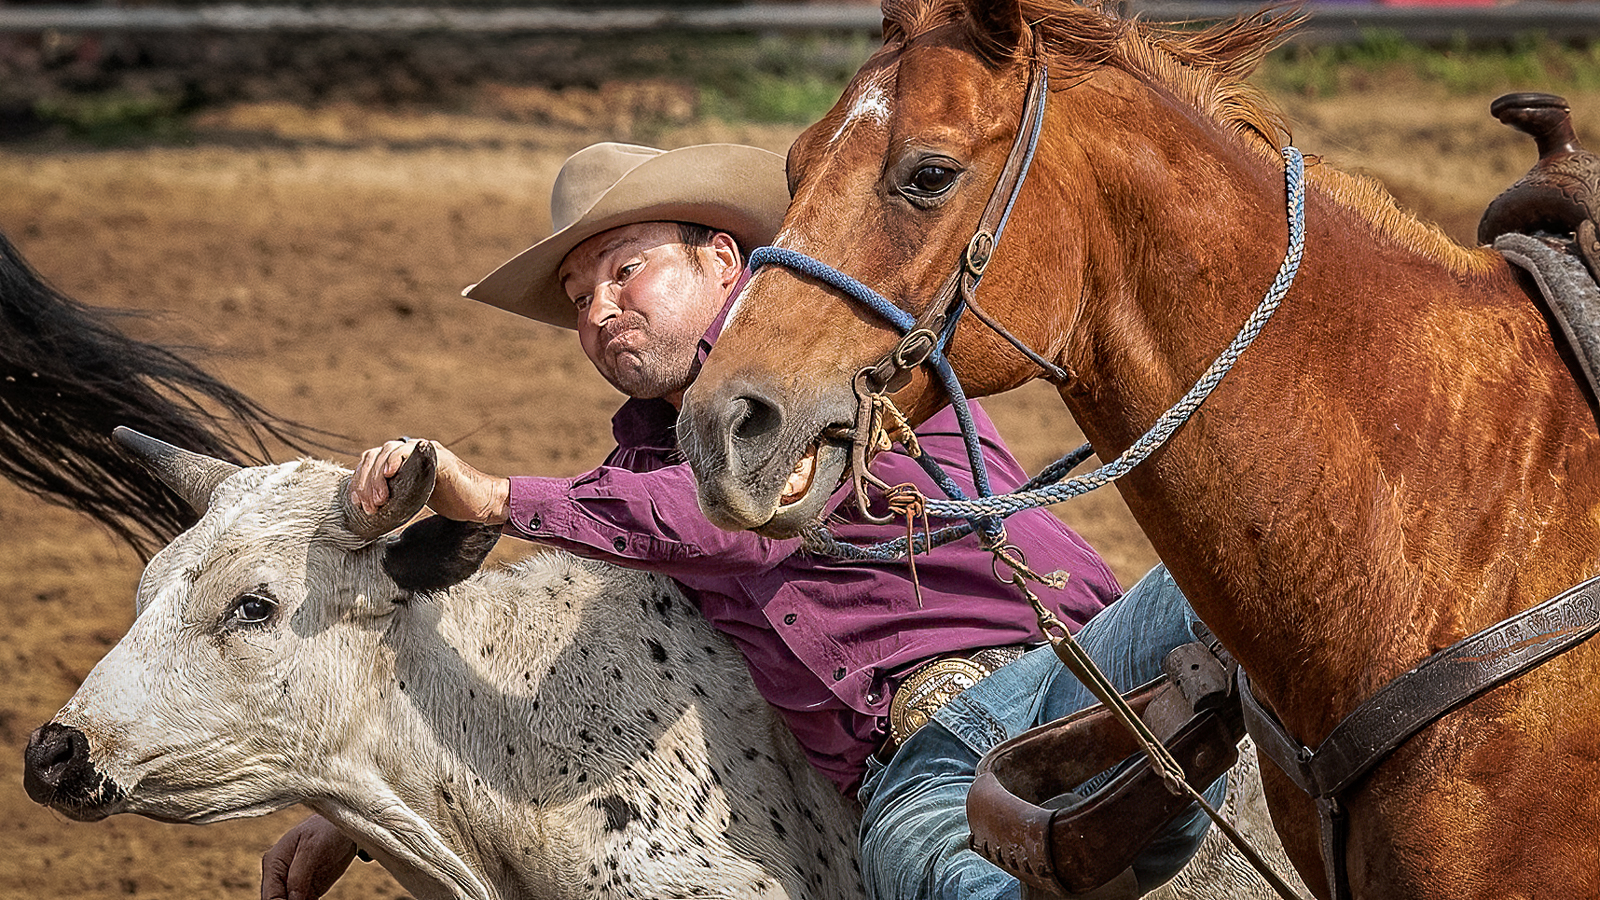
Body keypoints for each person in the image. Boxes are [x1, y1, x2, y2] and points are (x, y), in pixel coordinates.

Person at [261, 142, 1219, 900]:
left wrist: (499, 500)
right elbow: (573, 615)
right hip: (917, 762)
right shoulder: (634, 475)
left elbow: (729, 516)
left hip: (1065, 671)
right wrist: (363, 809)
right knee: (918, 859)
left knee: (1222, 581)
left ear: (722, 260)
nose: (599, 311)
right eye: (578, 296)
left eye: (626, 271)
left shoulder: (821, 366)